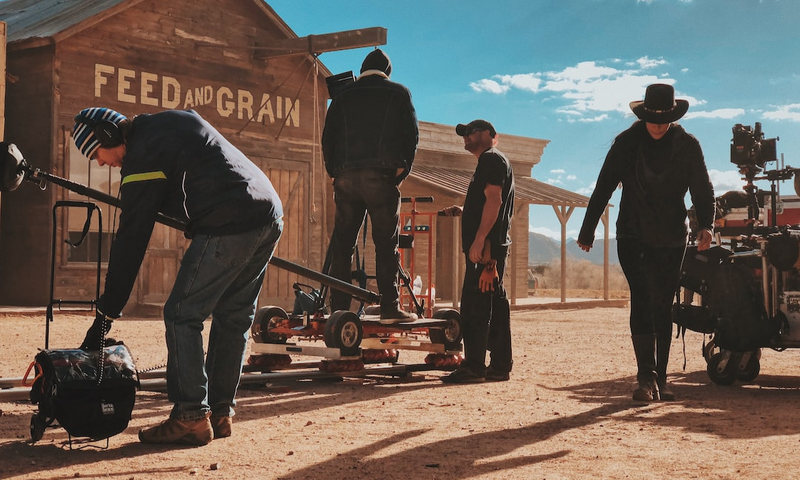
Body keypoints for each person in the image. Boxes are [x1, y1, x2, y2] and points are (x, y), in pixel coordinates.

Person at [72, 107, 284, 445]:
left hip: (229, 219)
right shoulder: (166, 126)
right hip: (268, 212)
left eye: (96, 153)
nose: (101, 163)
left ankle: (190, 417)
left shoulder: (143, 155)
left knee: (181, 314)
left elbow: (131, 240)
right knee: (233, 317)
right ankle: (219, 411)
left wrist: (105, 315)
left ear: (108, 135)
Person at [577, 84, 715, 402]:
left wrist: (706, 225)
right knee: (642, 296)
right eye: (652, 118)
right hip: (632, 233)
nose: (657, 124)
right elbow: (604, 186)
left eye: (663, 119)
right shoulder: (626, 143)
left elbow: (702, 188)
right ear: (644, 115)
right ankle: (645, 379)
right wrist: (587, 231)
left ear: (672, 116)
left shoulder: (688, 145)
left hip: (671, 237)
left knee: (662, 304)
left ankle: (661, 379)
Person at [322, 48, 419, 324]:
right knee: (385, 244)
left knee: (342, 245)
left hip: (346, 178)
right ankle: (389, 307)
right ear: (387, 71)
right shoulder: (400, 93)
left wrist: (335, 172)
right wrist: (399, 172)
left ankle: (339, 308)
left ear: (362, 68)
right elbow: (411, 136)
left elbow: (328, 138)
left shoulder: (342, 97)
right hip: (382, 178)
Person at [441, 119, 515, 384]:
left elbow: (495, 201)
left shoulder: (491, 160)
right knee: (495, 305)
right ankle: (499, 366)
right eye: (464, 135)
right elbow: (489, 203)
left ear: (488, 134)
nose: (466, 138)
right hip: (491, 248)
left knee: (475, 307)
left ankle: (473, 367)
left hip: (487, 250)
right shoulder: (493, 161)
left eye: (471, 132)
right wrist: (466, 212)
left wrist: (481, 242)